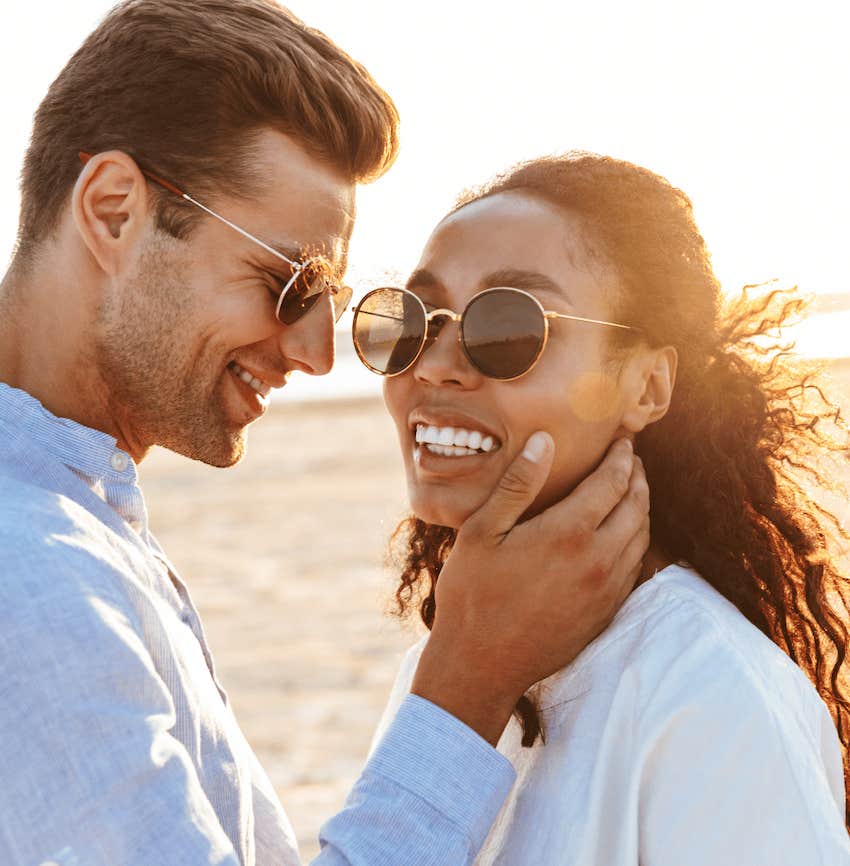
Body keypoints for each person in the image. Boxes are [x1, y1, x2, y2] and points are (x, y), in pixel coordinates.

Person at [0, 3, 652, 865]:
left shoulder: (75, 519)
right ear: (115, 211)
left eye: (332, 303)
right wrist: (470, 676)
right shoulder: (34, 579)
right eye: (284, 281)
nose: (316, 353)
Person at [355, 151, 850, 864]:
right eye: (415, 320)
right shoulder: (447, 666)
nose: (433, 363)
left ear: (648, 386)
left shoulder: (708, 691)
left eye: (507, 329)